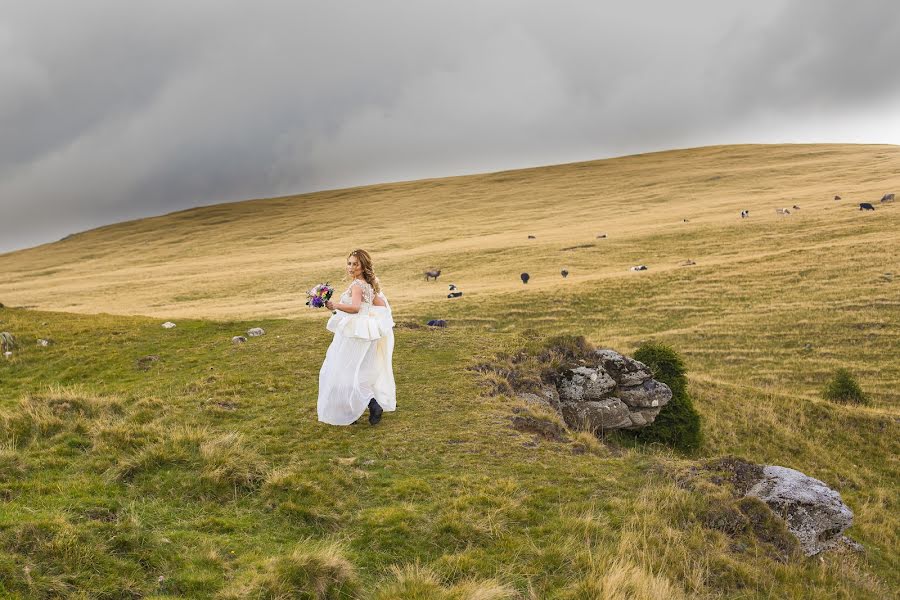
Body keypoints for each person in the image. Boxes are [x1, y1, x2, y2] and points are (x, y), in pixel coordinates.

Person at [317, 249, 396, 425]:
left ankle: (369, 405)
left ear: (363, 266)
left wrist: (335, 304)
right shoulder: (368, 285)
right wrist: (373, 321)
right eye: (349, 263)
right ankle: (355, 409)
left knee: (342, 370)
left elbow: (355, 308)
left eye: (355, 264)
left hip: (356, 333)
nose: (351, 267)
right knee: (358, 371)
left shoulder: (357, 286)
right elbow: (381, 305)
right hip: (367, 332)